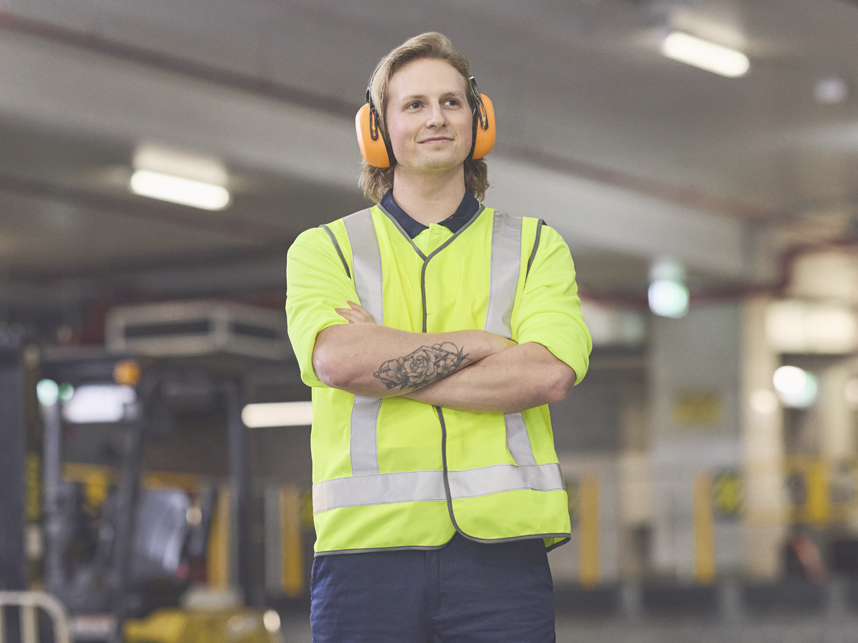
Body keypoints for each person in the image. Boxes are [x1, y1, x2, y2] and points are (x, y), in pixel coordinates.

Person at [286, 32, 591, 643]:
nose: (436, 118)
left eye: (452, 103)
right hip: (365, 560)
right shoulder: (326, 249)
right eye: (414, 104)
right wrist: (484, 343)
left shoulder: (534, 245)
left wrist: (389, 371)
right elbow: (341, 361)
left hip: (502, 560)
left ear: (479, 121)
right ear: (377, 128)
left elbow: (547, 375)